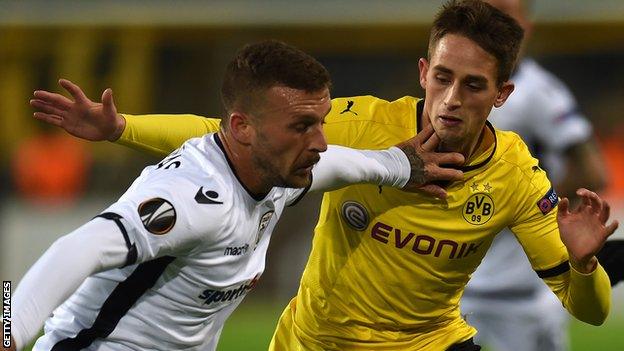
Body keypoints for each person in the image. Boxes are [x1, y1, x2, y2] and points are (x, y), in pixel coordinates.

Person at [28, 1, 619, 350]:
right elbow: (231, 129)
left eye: (473, 86)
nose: (451, 100)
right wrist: (121, 127)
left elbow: (589, 310)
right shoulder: (358, 127)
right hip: (316, 341)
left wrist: (587, 264)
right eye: (442, 77)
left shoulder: (515, 175)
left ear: (503, 93)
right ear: (422, 71)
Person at [8, 40, 465, 351]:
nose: (320, 140)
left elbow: (340, 163)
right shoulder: (192, 197)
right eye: (302, 126)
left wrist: (401, 166)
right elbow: (73, 249)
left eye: (321, 121)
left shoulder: (279, 170)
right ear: (242, 127)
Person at [460, 1, 610, 350]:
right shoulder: (459, 90)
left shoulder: (538, 91)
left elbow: (593, 171)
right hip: (457, 285)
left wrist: (525, 203)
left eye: (504, 14)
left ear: (525, 26)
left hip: (522, 294)